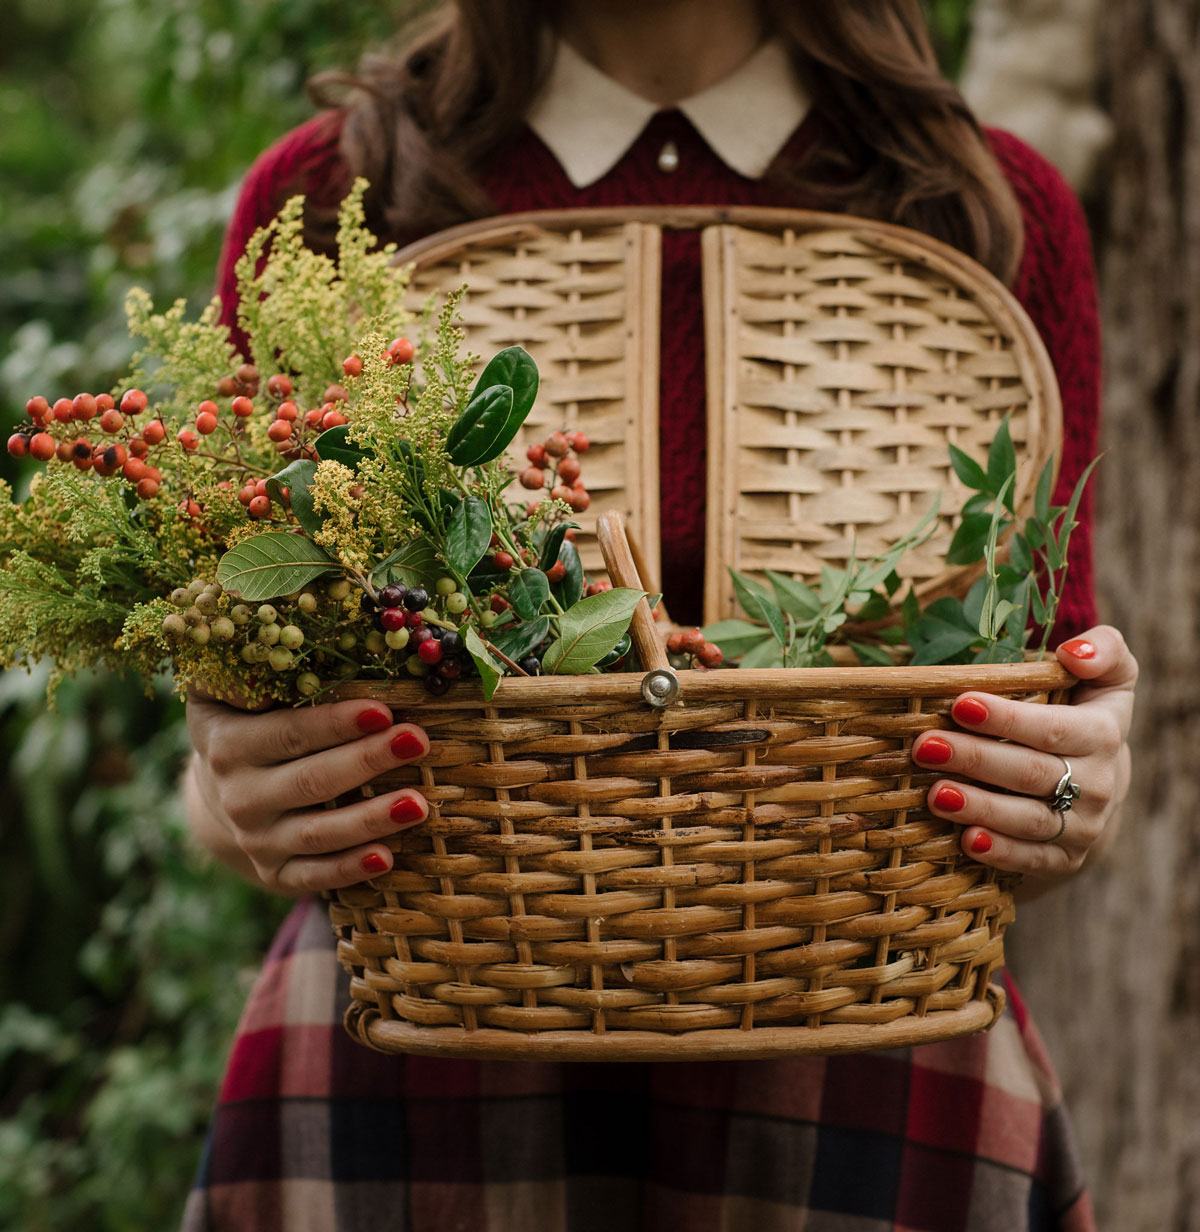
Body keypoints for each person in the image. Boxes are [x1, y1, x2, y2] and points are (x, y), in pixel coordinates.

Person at [182, 2, 1138, 1229]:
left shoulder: (983, 213)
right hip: (426, 1042)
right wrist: (238, 793)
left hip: (868, 1041)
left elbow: (1051, 743)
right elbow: (224, 767)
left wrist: (1072, 792)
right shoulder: (330, 199)